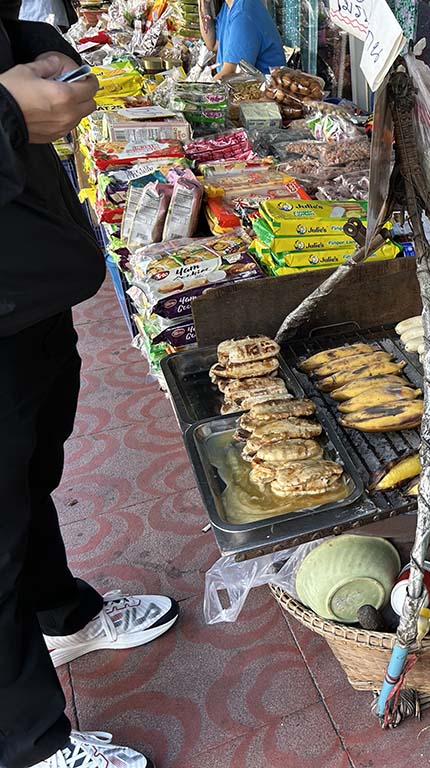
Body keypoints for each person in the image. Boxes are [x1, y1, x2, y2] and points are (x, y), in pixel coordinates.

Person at [0, 10, 179, 768]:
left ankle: (61, 615)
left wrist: (40, 51)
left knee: (30, 475)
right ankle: (27, 745)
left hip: (25, 287)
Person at [198, 0, 285, 80]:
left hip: (263, 92)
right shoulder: (229, 7)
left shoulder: (243, 13)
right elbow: (213, 45)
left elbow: (230, 75)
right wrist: (203, 5)